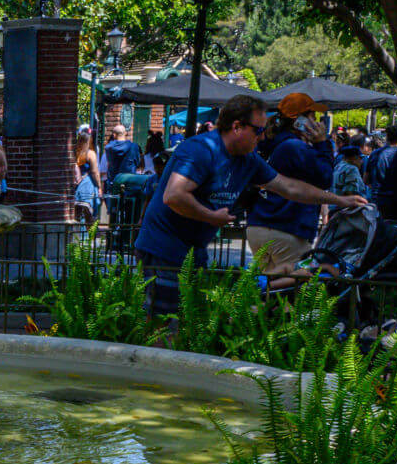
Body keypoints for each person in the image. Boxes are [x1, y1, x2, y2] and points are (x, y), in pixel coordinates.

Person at [133, 94, 367, 318]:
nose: (263, 136)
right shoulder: (202, 149)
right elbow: (173, 195)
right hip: (162, 248)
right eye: (258, 130)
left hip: (194, 250)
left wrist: (339, 200)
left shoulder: (248, 160)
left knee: (192, 323)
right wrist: (211, 216)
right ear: (237, 127)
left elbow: (290, 188)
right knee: (165, 323)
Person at [246, 103, 336, 278]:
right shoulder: (295, 147)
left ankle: (250, 302)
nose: (317, 123)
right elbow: (325, 177)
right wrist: (322, 144)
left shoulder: (275, 144)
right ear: (298, 121)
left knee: (275, 294)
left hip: (264, 225)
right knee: (298, 283)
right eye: (312, 117)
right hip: (286, 228)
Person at [72, 130, 102, 225]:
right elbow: (95, 172)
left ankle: (79, 237)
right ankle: (88, 237)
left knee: (78, 213)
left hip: (77, 185)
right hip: (89, 184)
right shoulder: (90, 154)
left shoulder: (75, 152)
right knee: (89, 213)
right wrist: (100, 186)